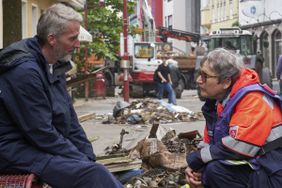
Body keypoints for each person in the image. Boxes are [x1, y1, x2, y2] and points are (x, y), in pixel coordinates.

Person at [0, 3, 123, 188]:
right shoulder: (24, 71)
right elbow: (41, 132)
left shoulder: (55, 65)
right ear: (52, 39)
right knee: (93, 175)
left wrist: (88, 156)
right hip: (13, 151)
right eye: (72, 38)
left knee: (106, 171)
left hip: (35, 145)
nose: (78, 44)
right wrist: (83, 162)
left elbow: (71, 122)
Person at [185, 48, 282, 188]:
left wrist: (198, 159)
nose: (199, 80)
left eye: (205, 76)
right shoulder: (219, 102)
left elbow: (239, 146)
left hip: (274, 173)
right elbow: (210, 141)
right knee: (209, 170)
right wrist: (196, 168)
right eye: (199, 74)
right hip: (262, 165)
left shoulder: (252, 99)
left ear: (226, 82)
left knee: (215, 171)